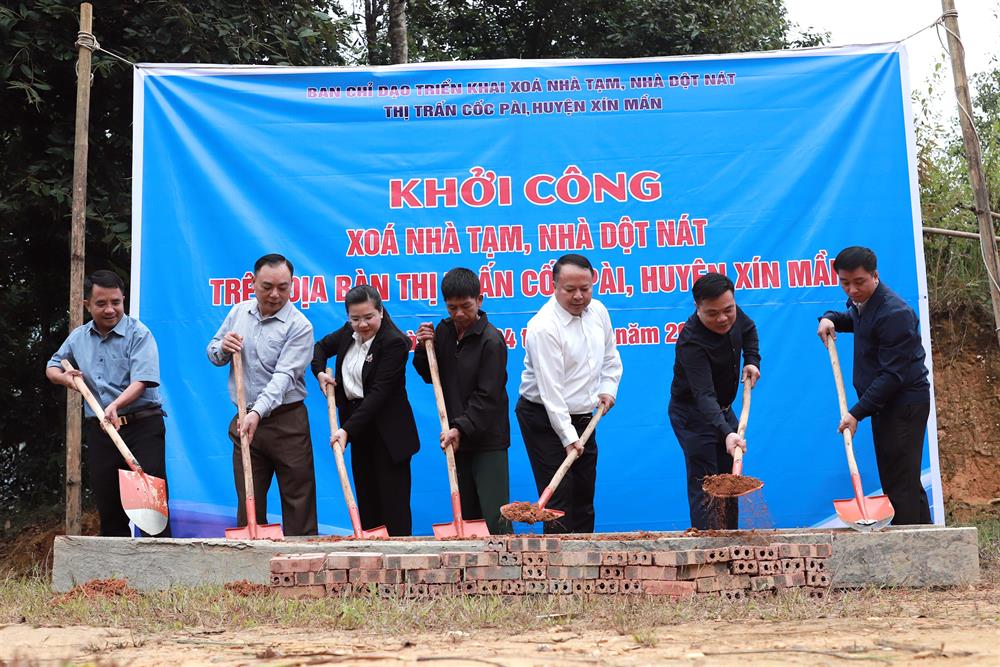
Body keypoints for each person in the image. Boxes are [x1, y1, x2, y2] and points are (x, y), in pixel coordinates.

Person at [46, 270, 171, 537]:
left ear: (123, 299)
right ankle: (116, 577)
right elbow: (52, 366)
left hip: (142, 426)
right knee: (109, 505)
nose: (110, 309)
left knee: (152, 508)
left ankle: (159, 574)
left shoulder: (139, 333)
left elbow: (142, 380)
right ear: (87, 305)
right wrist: (66, 379)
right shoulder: (78, 337)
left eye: (116, 302)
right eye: (101, 303)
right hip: (102, 432)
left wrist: (114, 405)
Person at [817, 246, 932, 525]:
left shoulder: (895, 314)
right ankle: (925, 545)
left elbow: (892, 377)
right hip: (885, 404)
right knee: (900, 479)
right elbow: (855, 320)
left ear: (875, 276)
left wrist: (856, 413)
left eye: (859, 282)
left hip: (904, 404)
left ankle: (909, 552)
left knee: (899, 483)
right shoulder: (862, 303)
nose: (852, 290)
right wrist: (829, 317)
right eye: (845, 283)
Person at [206, 253, 317, 536]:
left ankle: (302, 568)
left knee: (298, 499)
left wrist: (258, 412)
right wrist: (222, 347)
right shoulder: (238, 313)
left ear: (293, 285)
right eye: (267, 286)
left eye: (283, 287)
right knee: (249, 501)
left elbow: (283, 378)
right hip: (245, 420)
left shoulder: (299, 326)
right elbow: (214, 352)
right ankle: (250, 571)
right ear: (253, 282)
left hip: (287, 421)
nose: (275, 294)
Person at [516, 253, 623, 534]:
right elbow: (552, 394)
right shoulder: (543, 327)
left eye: (585, 289)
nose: (579, 296)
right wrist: (568, 438)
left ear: (593, 283)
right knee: (559, 501)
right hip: (543, 418)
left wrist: (608, 389)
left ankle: (586, 567)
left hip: (585, 416)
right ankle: (559, 571)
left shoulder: (598, 311)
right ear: (554, 286)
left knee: (584, 495)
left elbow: (612, 359)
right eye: (570, 289)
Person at [312, 285, 420, 536]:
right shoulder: (347, 333)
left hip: (388, 434)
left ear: (380, 312)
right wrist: (319, 372)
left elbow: (378, 395)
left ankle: (400, 566)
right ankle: (372, 566)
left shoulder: (395, 343)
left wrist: (346, 430)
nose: (362, 325)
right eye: (355, 318)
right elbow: (320, 348)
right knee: (368, 505)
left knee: (394, 510)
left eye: (368, 317)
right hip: (359, 432)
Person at [413, 268, 512, 535]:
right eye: (452, 307)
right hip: (458, 438)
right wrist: (423, 348)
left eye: (465, 306)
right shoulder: (444, 331)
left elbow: (487, 397)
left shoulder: (492, 340)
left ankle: (509, 572)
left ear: (480, 300)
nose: (458, 314)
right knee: (468, 519)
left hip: (488, 440)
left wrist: (460, 427)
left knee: (495, 517)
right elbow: (429, 376)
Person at [669, 272, 760, 531]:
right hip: (693, 416)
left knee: (730, 481)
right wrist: (727, 433)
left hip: (723, 410)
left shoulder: (732, 311)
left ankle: (730, 540)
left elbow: (749, 329)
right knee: (708, 484)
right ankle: (708, 548)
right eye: (713, 313)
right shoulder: (691, 342)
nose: (723, 318)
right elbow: (703, 396)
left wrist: (752, 360)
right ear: (698, 307)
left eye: (728, 310)